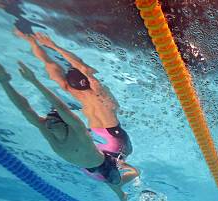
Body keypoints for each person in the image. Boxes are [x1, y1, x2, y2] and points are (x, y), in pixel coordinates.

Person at [0, 61, 137, 201]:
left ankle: (127, 183)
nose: (47, 125)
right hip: (89, 166)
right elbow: (25, 109)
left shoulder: (77, 130)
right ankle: (121, 193)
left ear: (65, 123)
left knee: (122, 179)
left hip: (105, 163)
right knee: (110, 182)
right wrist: (5, 82)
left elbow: (60, 106)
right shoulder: (47, 130)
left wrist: (34, 81)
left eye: (52, 123)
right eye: (47, 122)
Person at [14, 31, 134, 161]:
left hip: (99, 136)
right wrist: (54, 45)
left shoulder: (70, 89)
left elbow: (48, 63)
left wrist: (33, 43)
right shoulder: (99, 91)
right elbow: (83, 67)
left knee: (111, 164)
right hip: (114, 135)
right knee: (122, 159)